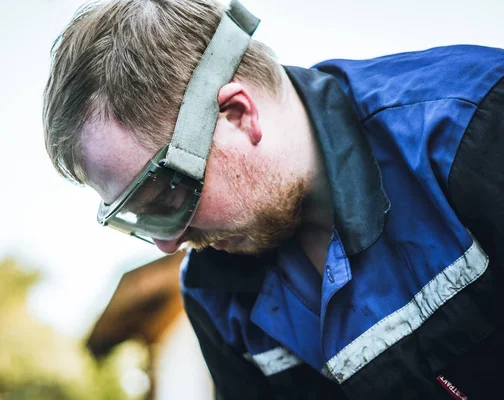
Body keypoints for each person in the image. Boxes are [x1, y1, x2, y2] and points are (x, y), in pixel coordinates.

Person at [42, 0, 504, 398]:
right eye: (138, 219)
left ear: (239, 114)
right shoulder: (213, 295)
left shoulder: (473, 129)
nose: (168, 245)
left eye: (164, 196)